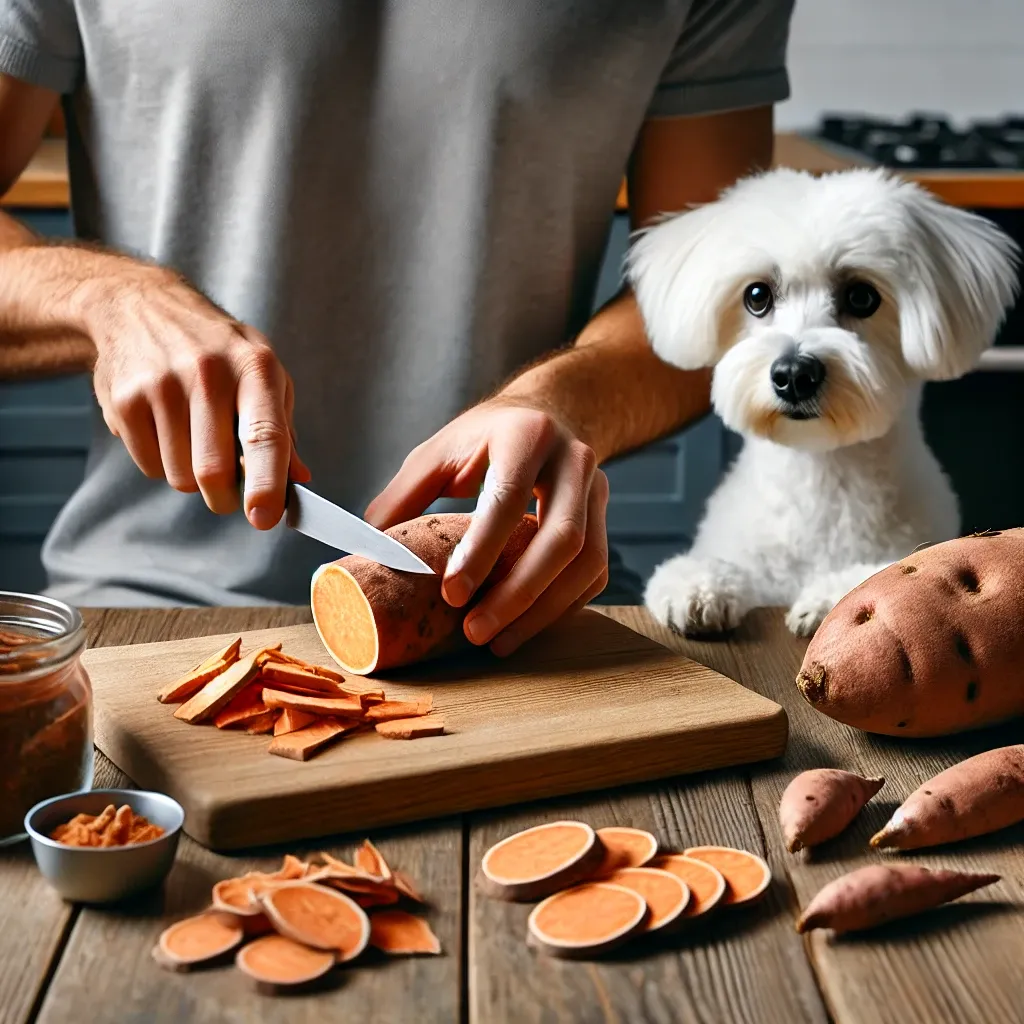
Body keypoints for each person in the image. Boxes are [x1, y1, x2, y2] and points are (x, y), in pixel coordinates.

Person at [0, 1, 795, 657]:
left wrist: (562, 401)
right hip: (145, 612)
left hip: (520, 612)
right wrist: (106, 299)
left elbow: (727, 298)